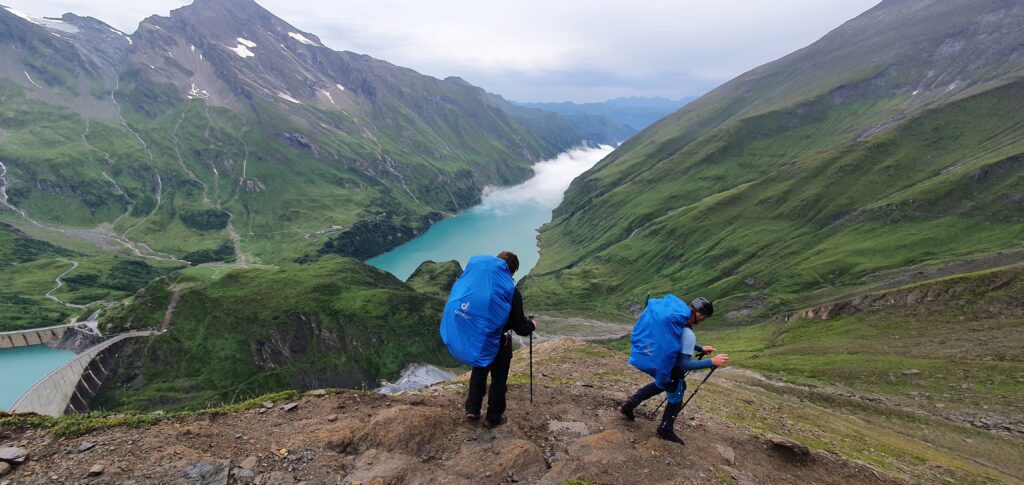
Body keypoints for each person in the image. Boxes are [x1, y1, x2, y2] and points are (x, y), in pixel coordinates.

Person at [441, 251, 536, 428]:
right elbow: (520, 327)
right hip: (500, 342)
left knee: (479, 373)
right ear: (512, 272)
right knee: (498, 380)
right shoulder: (511, 292)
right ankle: (493, 418)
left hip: (479, 339)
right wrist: (532, 325)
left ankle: (472, 409)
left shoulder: (476, 285)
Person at [617, 296, 727, 444]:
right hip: (671, 369)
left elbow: (677, 337)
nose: (703, 321)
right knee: (676, 397)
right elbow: (685, 365)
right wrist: (712, 362)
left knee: (660, 384)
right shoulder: (689, 334)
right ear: (699, 314)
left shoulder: (675, 322)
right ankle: (665, 430)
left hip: (660, 362)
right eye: (704, 318)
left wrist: (700, 348)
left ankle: (628, 405)